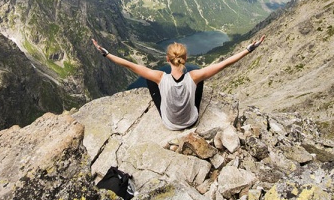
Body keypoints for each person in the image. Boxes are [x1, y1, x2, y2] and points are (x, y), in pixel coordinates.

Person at [92, 35, 265, 130]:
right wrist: (249, 49)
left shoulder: (160, 77)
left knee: (149, 78)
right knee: (200, 80)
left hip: (170, 124)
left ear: (167, 59)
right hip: (191, 121)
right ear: (185, 58)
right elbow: (225, 63)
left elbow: (129, 65)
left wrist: (105, 53)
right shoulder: (194, 76)